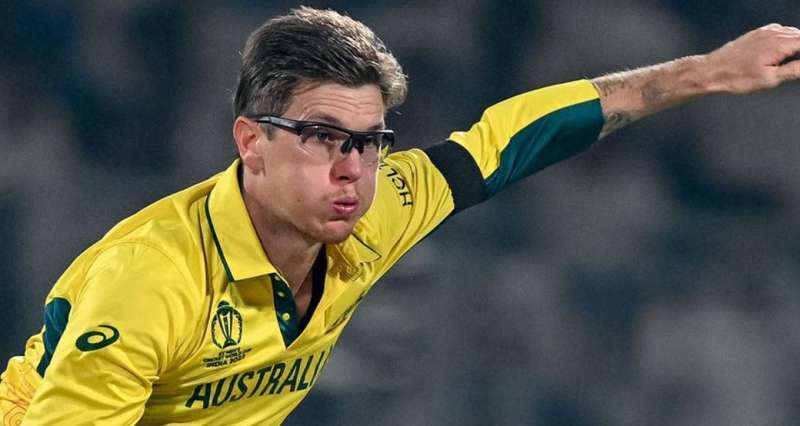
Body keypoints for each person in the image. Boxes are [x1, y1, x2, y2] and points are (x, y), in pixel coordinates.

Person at [1, 6, 799, 425]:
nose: (351, 169)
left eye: (370, 142)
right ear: (251, 142)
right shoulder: (152, 279)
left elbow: (505, 143)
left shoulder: (376, 207)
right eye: (322, 137)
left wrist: (705, 73)